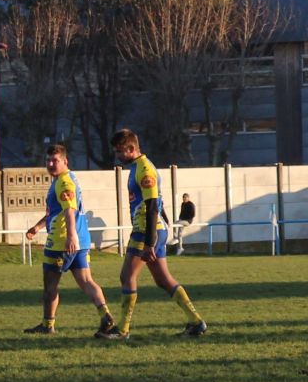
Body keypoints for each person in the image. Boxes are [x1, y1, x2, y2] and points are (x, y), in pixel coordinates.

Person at [98, 128, 207, 339]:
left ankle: (122, 329)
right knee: (163, 280)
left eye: (120, 151)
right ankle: (196, 321)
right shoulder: (139, 167)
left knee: (127, 276)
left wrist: (150, 242)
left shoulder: (145, 170)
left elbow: (152, 207)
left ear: (131, 148)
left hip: (146, 231)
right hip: (153, 230)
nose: (118, 156)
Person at [23, 144, 116, 336]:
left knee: (50, 286)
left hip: (61, 242)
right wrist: (38, 227)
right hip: (80, 241)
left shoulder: (64, 182)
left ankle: (48, 325)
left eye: (55, 161)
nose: (50, 164)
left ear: (65, 161)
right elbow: (56, 211)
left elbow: (69, 210)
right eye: (48, 160)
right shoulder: (67, 179)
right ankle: (105, 314)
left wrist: (70, 235)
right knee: (86, 281)